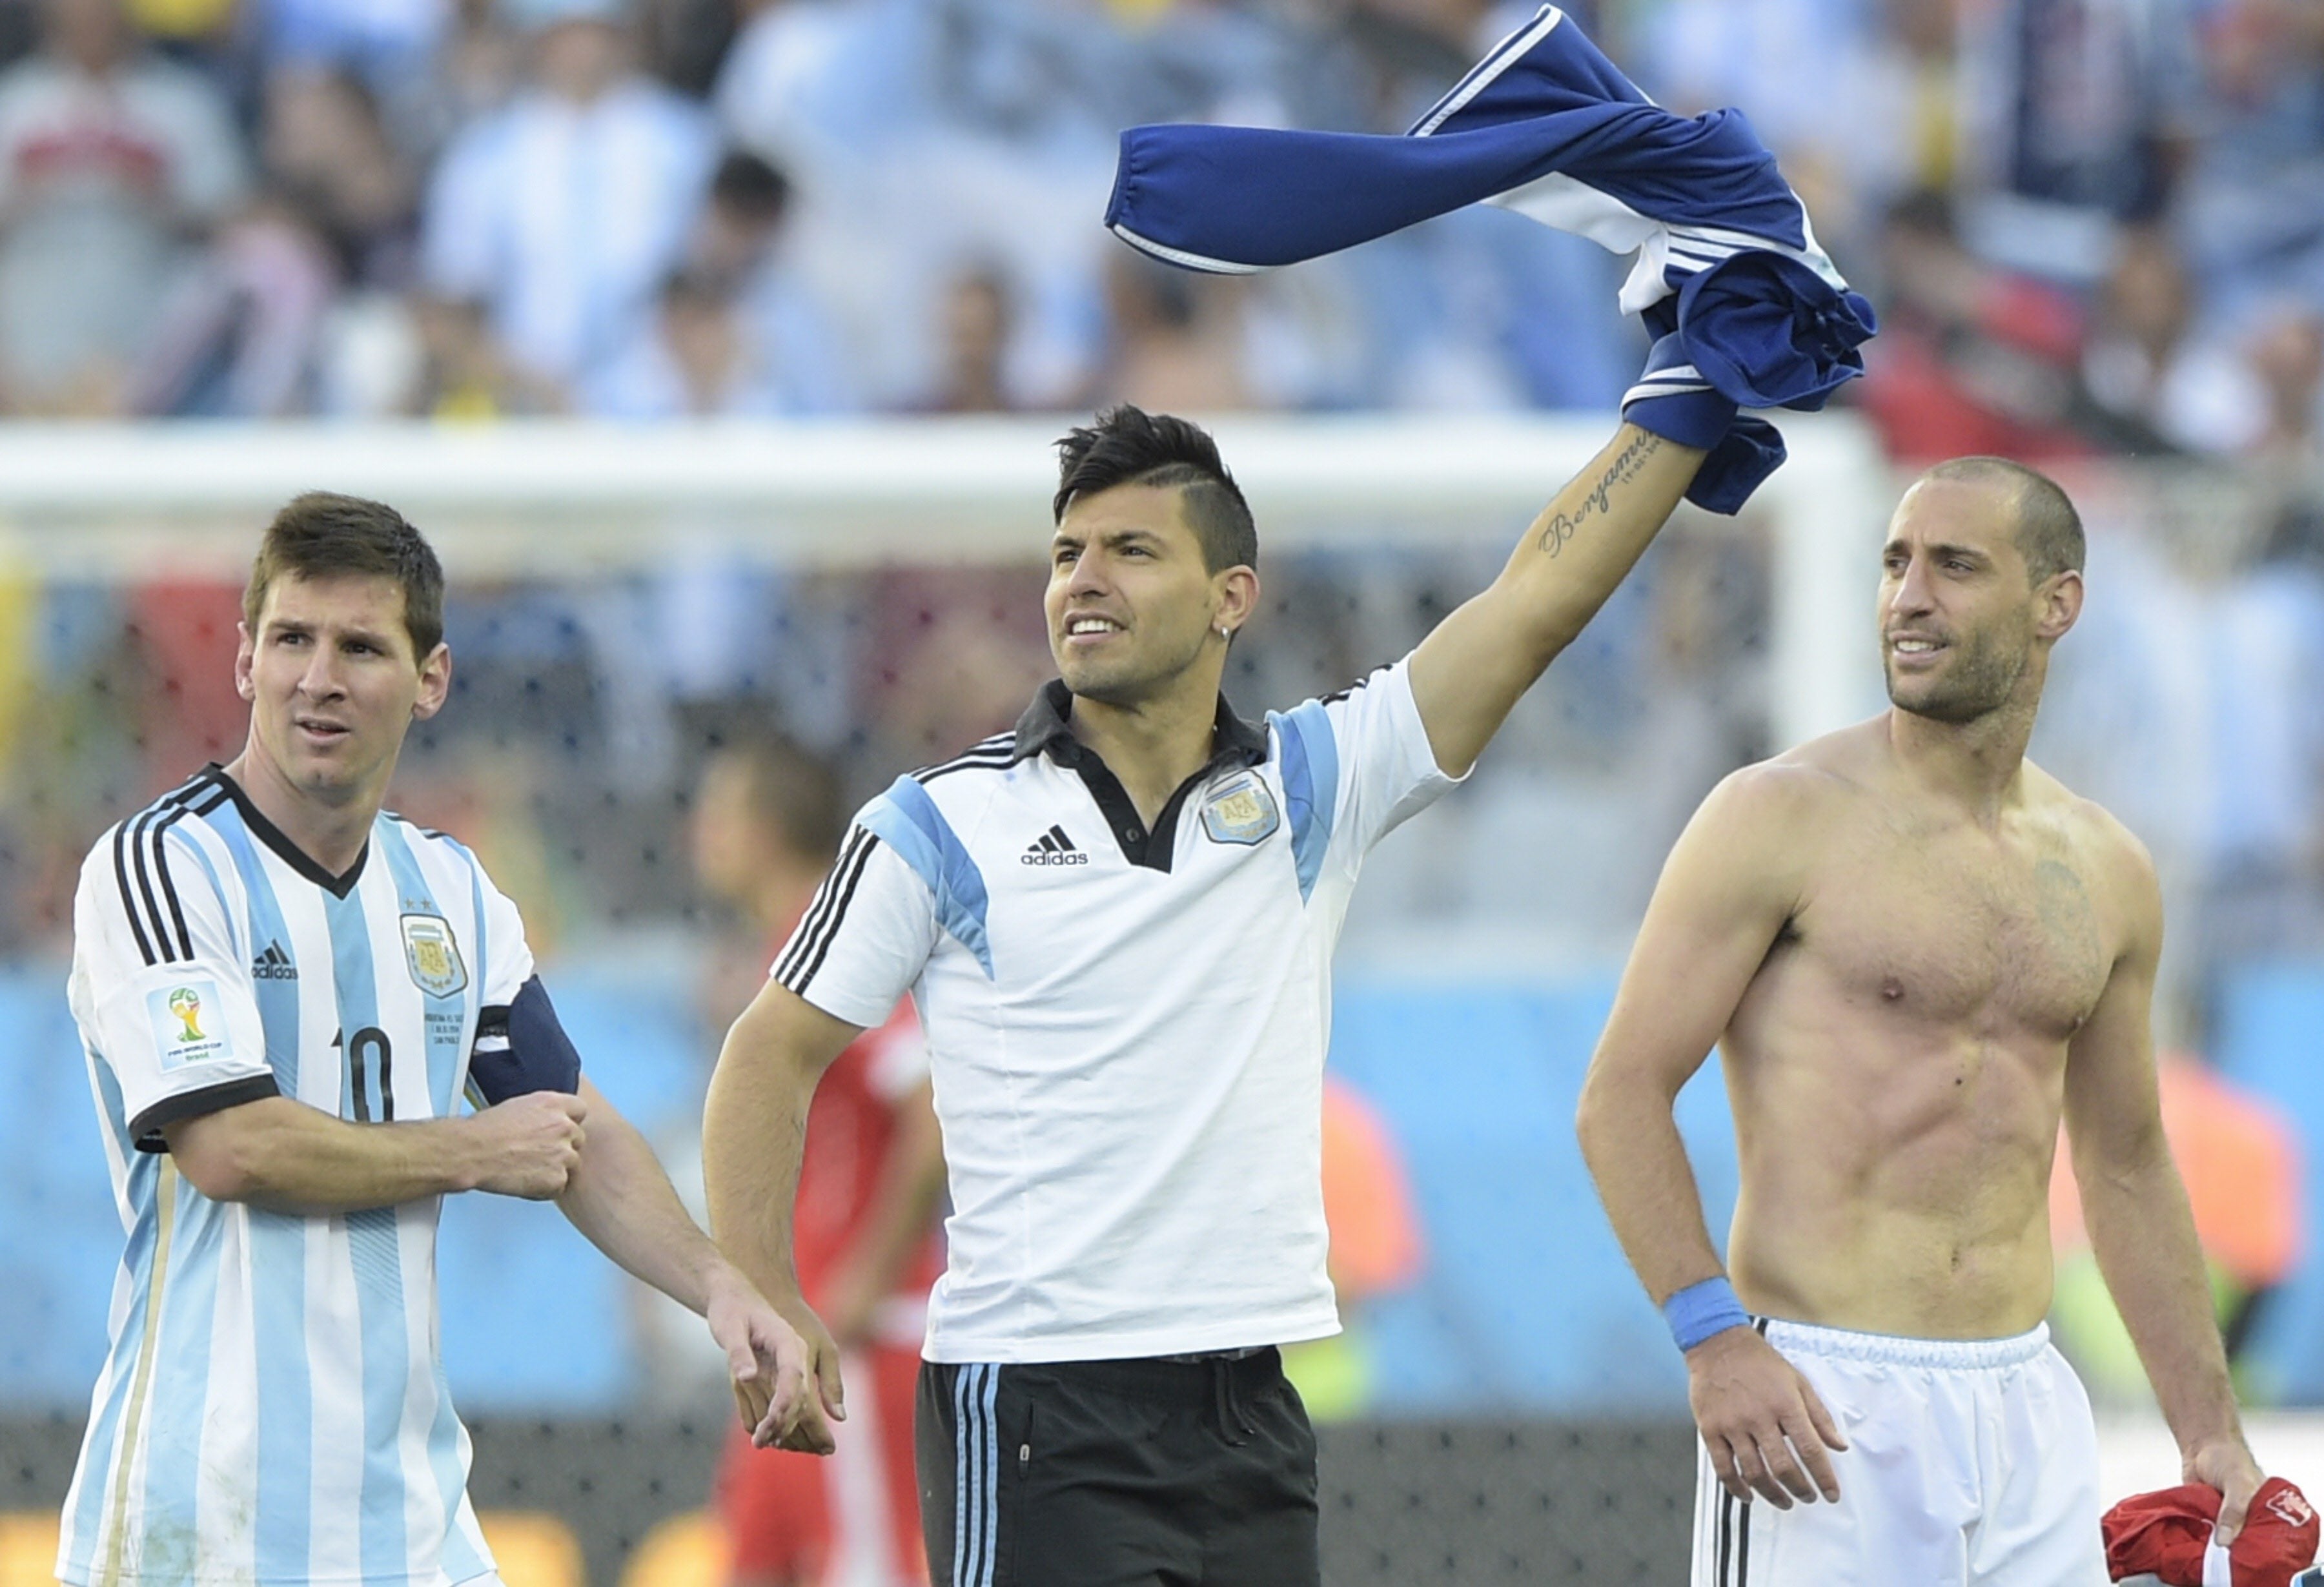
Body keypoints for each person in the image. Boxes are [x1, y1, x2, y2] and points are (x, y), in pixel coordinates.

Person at [701, 389, 1718, 1584]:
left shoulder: (1310, 786)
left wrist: (1687, 406)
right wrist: (762, 1288)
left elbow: (1534, 604)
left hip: (1248, 1409)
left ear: (1234, 593)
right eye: (1067, 552)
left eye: (1133, 550)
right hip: (1031, 1404)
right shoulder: (937, 823)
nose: (1085, 577)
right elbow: (769, 1051)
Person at [55, 493, 822, 1587]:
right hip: (205, 1516)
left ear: (431, 678)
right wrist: (470, 1150)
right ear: (243, 661)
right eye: (292, 640)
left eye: (361, 646)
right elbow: (229, 1147)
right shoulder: (162, 869)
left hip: (406, 1523)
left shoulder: (449, 889)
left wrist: (721, 1285)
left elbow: (574, 1130)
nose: (319, 676)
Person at [1575, 457, 2268, 1586]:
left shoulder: (2107, 868)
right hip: (1820, 1410)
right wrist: (1710, 1338)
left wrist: (2210, 1430)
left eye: (1954, 565)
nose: (1909, 595)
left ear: (2058, 602)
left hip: (2028, 1404)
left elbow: (2127, 1162)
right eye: (1895, 562)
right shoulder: (1778, 814)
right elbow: (1621, 1092)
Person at [690, 737, 944, 1587]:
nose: (701, 830)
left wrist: (864, 1281)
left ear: (765, 830)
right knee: (759, 1563)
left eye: (720, 811)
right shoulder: (778, 951)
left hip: (848, 1340)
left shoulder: (836, 943)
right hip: (790, 1336)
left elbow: (929, 1109)